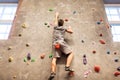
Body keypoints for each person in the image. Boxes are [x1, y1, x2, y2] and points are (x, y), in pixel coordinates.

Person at [48, 12, 74, 80]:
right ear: (62, 24)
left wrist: (56, 15)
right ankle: (67, 66)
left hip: (55, 44)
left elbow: (56, 21)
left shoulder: (55, 27)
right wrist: (70, 27)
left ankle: (52, 72)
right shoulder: (63, 28)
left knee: (54, 58)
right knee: (71, 53)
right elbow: (71, 32)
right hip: (61, 42)